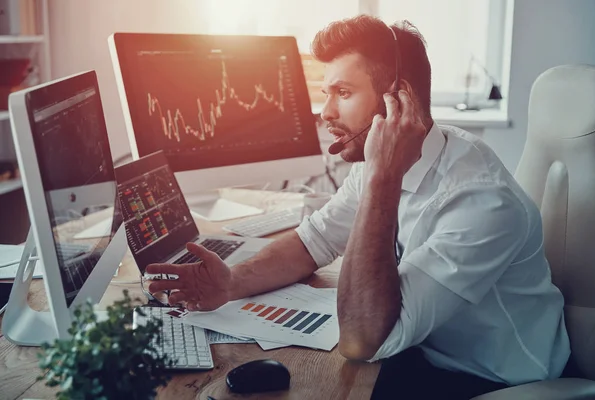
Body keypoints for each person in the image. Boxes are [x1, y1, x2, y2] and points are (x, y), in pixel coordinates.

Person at [146, 15, 570, 399]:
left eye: (343, 93)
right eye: (326, 93)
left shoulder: (480, 202)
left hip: (492, 381)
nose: (325, 112)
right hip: (422, 351)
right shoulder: (380, 159)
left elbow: (361, 340)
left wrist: (383, 179)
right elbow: (312, 242)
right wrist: (232, 283)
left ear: (396, 102)